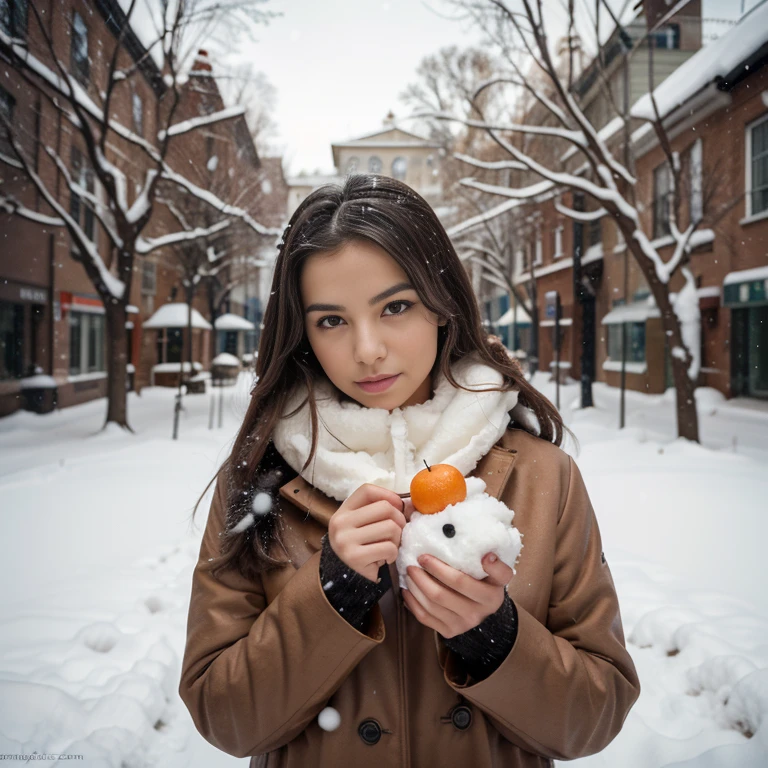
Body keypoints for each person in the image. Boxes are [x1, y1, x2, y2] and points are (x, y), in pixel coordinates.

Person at [178, 174, 641, 768]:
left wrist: (493, 637)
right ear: (303, 335)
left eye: (394, 307)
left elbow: (595, 717)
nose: (367, 349)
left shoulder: (544, 477)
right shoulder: (261, 480)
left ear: (441, 305)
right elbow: (225, 717)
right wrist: (329, 594)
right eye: (331, 320)